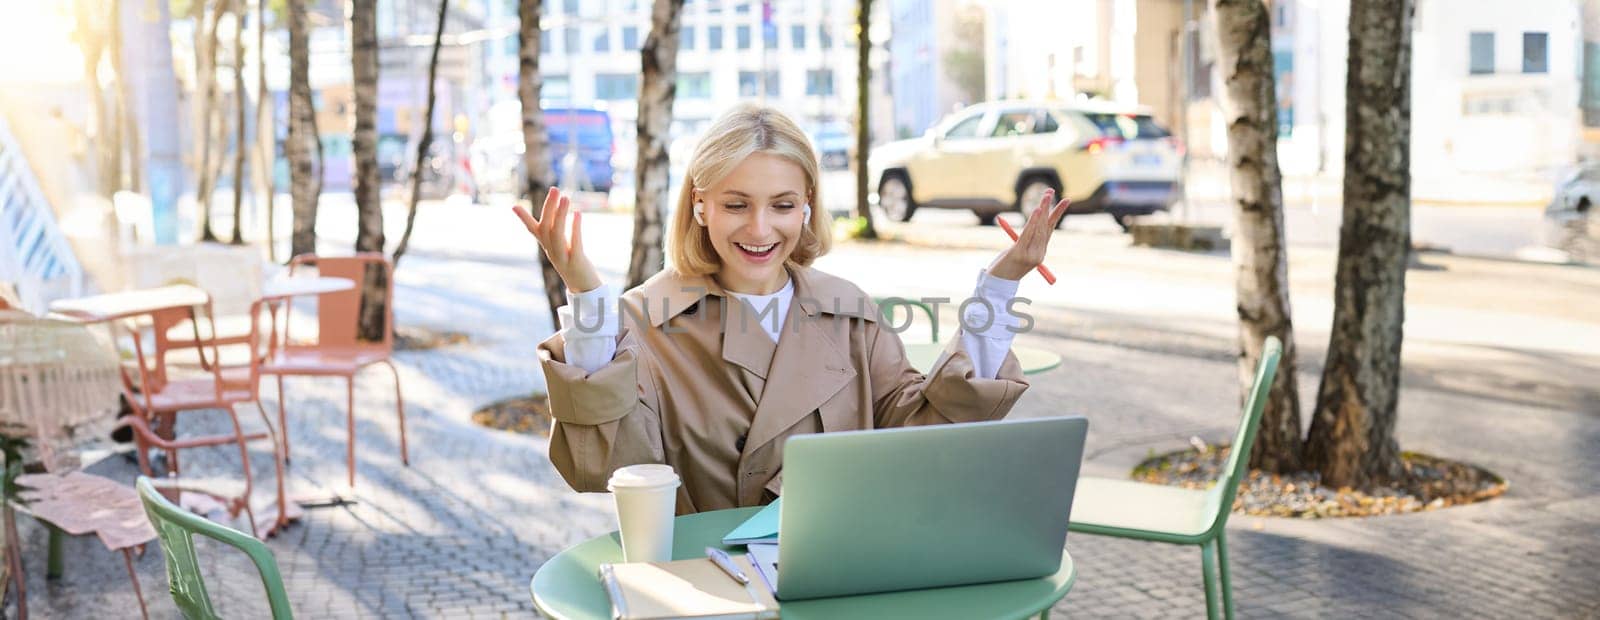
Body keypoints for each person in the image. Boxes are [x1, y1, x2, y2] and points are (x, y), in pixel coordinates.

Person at [515, 103, 1070, 515]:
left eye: (783, 205)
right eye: (736, 205)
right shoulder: (643, 320)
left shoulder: (848, 309)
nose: (760, 229)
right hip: (704, 583)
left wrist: (1000, 286)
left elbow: (922, 430)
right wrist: (588, 298)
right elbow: (604, 467)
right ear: (700, 205)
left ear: (808, 205)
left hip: (840, 570)